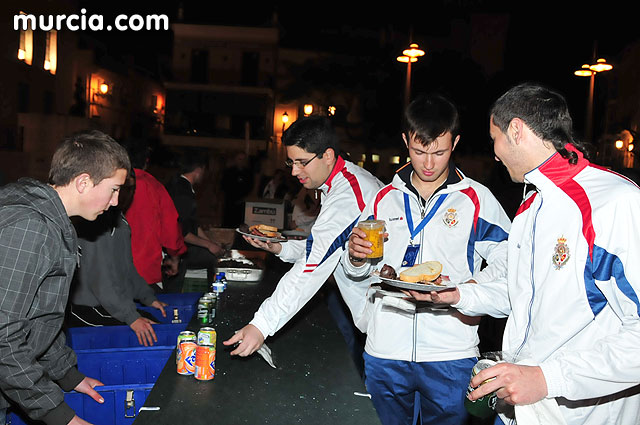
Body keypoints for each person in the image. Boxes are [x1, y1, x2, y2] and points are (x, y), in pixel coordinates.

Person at [416, 83, 640, 425]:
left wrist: (549, 378)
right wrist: (456, 295)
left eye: (495, 139)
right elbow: (520, 294)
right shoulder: (532, 202)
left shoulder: (614, 202)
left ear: (516, 130)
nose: (494, 153)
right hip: (522, 410)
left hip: (582, 415)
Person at [344, 93, 511, 425]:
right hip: (385, 350)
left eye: (439, 152)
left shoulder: (476, 200)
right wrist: (356, 259)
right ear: (406, 141)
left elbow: (510, 262)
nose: (429, 163)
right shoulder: (383, 199)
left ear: (455, 142)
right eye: (420, 152)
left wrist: (472, 288)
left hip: (450, 353)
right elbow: (358, 272)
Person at [223, 116, 383, 365]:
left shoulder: (348, 194)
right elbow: (325, 246)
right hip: (374, 311)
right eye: (291, 162)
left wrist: (262, 324)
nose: (294, 171)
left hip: (387, 318)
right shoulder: (336, 183)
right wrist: (279, 246)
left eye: (302, 162)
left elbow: (314, 264)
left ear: (328, 156)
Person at [0, 130, 130, 425]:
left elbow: (39, 317)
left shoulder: (51, 219)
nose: (115, 201)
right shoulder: (30, 227)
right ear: (83, 182)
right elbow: (3, 337)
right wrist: (60, 416)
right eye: (114, 189)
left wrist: (69, 376)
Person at [69, 196, 168, 347]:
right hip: (87, 309)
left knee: (158, 327)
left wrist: (148, 297)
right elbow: (101, 281)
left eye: (128, 189)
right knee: (152, 332)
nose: (119, 196)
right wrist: (132, 318)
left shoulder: (120, 220)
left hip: (109, 303)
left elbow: (128, 268)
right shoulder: (96, 222)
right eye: (116, 189)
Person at [122, 139, 187, 290]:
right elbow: (171, 229)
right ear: (146, 160)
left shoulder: (106, 185)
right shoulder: (154, 187)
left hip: (110, 275)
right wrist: (175, 256)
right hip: (145, 271)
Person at [165, 149, 224, 292]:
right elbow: (183, 232)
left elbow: (193, 225)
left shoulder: (180, 185)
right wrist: (209, 246)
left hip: (178, 245)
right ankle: (215, 294)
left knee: (212, 253)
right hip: (174, 248)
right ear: (199, 170)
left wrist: (210, 242)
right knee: (212, 257)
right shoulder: (182, 192)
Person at [221, 151, 254, 227]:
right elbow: (223, 186)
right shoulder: (229, 172)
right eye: (239, 159)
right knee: (228, 223)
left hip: (243, 203)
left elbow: (250, 187)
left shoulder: (248, 173)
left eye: (243, 159)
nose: (241, 161)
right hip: (230, 202)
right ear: (235, 160)